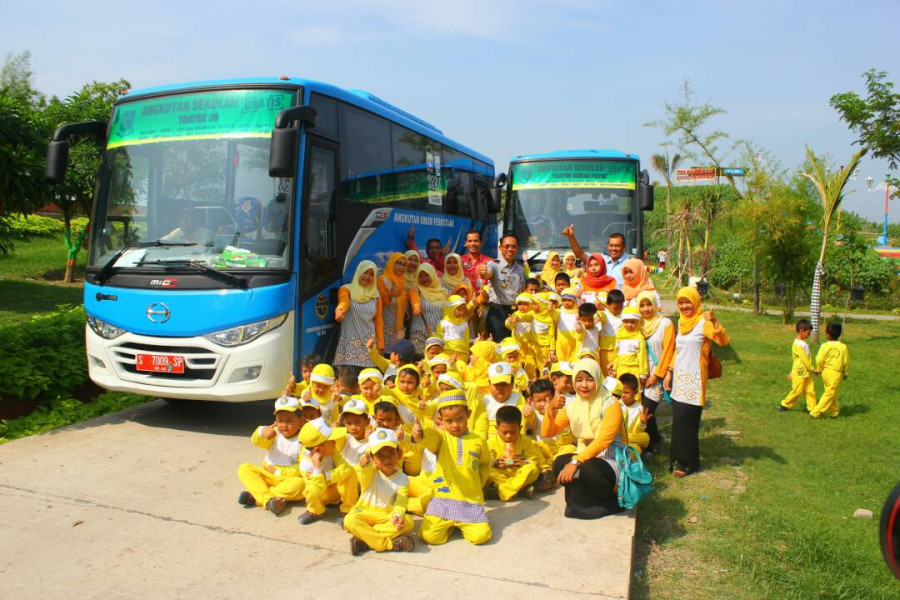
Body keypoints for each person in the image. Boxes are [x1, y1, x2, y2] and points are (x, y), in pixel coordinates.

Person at [542, 358, 627, 519]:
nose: (584, 385)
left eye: (589, 379)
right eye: (579, 380)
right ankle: (578, 504)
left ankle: (610, 502)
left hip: (610, 457)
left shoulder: (611, 404)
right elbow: (549, 431)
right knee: (559, 463)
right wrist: (551, 409)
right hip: (584, 455)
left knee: (588, 469)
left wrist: (575, 462)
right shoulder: (573, 405)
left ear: (598, 379)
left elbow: (604, 440)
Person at [663, 287, 730, 478]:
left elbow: (723, 341)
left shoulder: (703, 323)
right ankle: (683, 460)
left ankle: (685, 463)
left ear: (696, 302)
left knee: (688, 423)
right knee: (678, 422)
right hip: (679, 380)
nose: (685, 306)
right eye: (681, 303)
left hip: (694, 381)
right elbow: (678, 350)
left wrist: (715, 322)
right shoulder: (682, 323)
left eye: (688, 302)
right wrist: (669, 371)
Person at [413, 391, 493, 545]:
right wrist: (420, 433)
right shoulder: (441, 438)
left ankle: (462, 524)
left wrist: (476, 486)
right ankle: (449, 526)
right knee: (429, 536)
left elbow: (484, 465)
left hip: (469, 501)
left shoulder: (478, 441)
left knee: (481, 537)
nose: (455, 425)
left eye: (460, 419)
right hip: (444, 500)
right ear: (440, 420)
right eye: (449, 421)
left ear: (468, 414)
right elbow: (429, 437)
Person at [344, 428, 416, 555]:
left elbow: (401, 502)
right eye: (380, 456)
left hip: (386, 516)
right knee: (350, 520)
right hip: (365, 513)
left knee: (409, 522)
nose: (387, 459)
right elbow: (364, 467)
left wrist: (397, 516)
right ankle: (387, 544)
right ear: (372, 458)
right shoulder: (371, 472)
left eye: (391, 454)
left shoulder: (403, 479)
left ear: (399, 454)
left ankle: (366, 539)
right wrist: (365, 460)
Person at [237, 396, 305, 515]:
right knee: (244, 468)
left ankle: (258, 498)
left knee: (300, 484)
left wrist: (277, 472)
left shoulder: (304, 439)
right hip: (268, 476)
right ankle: (271, 500)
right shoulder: (273, 434)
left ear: (301, 420)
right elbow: (257, 441)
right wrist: (262, 432)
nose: (284, 425)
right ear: (275, 421)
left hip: (287, 480)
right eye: (280, 421)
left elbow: (302, 469)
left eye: (289, 421)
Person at [296, 417, 358, 525]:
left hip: (336, 491)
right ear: (318, 449)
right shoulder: (305, 465)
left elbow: (347, 469)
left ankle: (347, 509)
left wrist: (326, 476)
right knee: (309, 490)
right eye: (331, 440)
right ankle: (316, 511)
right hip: (322, 496)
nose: (335, 442)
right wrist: (316, 468)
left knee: (351, 472)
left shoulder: (333, 452)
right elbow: (316, 491)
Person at [637, 290, 674, 453]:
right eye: (642, 305)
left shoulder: (665, 324)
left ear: (655, 304)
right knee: (641, 410)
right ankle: (654, 440)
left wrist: (657, 375)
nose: (646, 309)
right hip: (639, 375)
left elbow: (668, 351)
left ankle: (652, 443)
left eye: (649, 304)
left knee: (646, 410)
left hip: (656, 375)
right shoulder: (637, 324)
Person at [486, 405, 543, 501]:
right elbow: (486, 460)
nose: (508, 436)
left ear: (520, 428)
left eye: (513, 432)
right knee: (486, 470)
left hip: (518, 473)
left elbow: (535, 459)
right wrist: (495, 462)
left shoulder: (525, 441)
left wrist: (523, 462)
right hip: (501, 474)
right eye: (504, 432)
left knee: (532, 469)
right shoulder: (491, 442)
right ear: (497, 428)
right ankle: (519, 489)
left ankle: (501, 491)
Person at [335, 260, 384, 367]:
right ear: (359, 272)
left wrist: (380, 346)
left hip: (369, 344)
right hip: (351, 347)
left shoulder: (376, 296)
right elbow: (343, 302)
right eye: (365, 272)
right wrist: (339, 311)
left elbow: (379, 321)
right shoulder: (347, 289)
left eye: (371, 274)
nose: (367, 276)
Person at [480, 233, 527, 342]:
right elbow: (487, 274)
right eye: (507, 246)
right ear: (500, 248)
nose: (510, 249)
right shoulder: (493, 264)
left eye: (513, 246)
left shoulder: (521, 267)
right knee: (499, 344)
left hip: (516, 312)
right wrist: (483, 273)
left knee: (515, 345)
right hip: (497, 312)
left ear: (518, 248)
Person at [561, 225, 629, 287]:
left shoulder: (629, 265)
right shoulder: (601, 259)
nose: (613, 249)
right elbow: (580, 254)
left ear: (624, 247)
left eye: (617, 246)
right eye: (611, 245)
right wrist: (571, 237)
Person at [810, 322, 850, 419]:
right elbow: (846, 362)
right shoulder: (843, 347)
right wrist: (846, 373)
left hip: (826, 372)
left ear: (828, 334)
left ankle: (834, 412)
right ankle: (815, 412)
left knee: (832, 392)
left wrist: (819, 369)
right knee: (830, 393)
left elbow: (819, 359)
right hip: (836, 373)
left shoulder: (824, 346)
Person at [778, 319, 817, 413]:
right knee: (797, 391)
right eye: (808, 332)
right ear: (801, 331)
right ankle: (784, 404)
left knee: (810, 391)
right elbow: (804, 359)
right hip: (800, 373)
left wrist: (810, 370)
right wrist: (813, 369)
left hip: (806, 373)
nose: (809, 335)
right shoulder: (798, 345)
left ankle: (812, 409)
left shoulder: (802, 343)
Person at [482, 362, 527, 437]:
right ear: (489, 385)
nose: (500, 388)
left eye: (504, 384)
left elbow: (522, 427)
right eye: (496, 385)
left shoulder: (519, 399)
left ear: (512, 384)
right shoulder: (485, 401)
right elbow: (482, 429)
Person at [609, 307, 649, 390]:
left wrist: (643, 373)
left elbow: (642, 356)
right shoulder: (619, 335)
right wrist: (615, 369)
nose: (629, 325)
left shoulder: (639, 337)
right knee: (620, 393)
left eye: (632, 322)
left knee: (633, 394)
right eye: (626, 321)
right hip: (620, 369)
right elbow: (616, 354)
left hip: (634, 371)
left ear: (638, 322)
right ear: (622, 321)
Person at [409, 263, 446, 351]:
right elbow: (415, 302)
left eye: (427, 275)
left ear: (432, 275)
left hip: (438, 337)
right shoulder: (415, 290)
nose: (424, 278)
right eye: (421, 276)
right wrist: (416, 308)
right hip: (420, 338)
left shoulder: (443, 293)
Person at [378, 253, 413, 348]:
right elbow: (379, 301)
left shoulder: (404, 282)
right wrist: (389, 294)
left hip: (400, 328)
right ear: (391, 263)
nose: (401, 267)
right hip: (386, 326)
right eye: (399, 263)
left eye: (404, 264)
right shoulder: (384, 280)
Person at [617, 374, 651, 455]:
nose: (623, 395)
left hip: (630, 438)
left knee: (645, 439)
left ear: (635, 392)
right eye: (621, 392)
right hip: (616, 435)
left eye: (626, 392)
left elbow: (637, 432)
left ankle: (623, 454)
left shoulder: (639, 408)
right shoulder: (616, 403)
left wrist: (643, 423)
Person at [435, 295, 470, 363]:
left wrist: (466, 353)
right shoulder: (443, 323)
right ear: (451, 309)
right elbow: (439, 337)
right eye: (459, 310)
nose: (461, 312)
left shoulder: (464, 324)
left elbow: (466, 340)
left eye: (463, 310)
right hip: (446, 353)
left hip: (461, 354)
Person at [599, 289, 625, 376]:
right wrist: (597, 316)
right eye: (615, 308)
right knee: (606, 375)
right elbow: (600, 316)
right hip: (605, 352)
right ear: (607, 305)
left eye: (620, 308)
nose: (618, 310)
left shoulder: (624, 315)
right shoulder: (604, 315)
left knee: (617, 375)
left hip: (618, 351)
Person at [553, 288, 581, 363]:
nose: (566, 303)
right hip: (561, 341)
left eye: (569, 300)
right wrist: (550, 309)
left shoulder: (578, 313)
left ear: (574, 301)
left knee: (573, 361)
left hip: (574, 341)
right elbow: (552, 315)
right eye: (564, 300)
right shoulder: (559, 311)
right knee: (561, 361)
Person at [460, 229, 492, 294]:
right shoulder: (460, 261)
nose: (472, 244)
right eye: (470, 241)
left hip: (482, 300)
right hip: (464, 299)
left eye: (476, 241)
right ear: (466, 243)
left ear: (481, 243)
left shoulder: (489, 262)